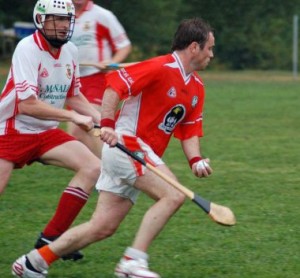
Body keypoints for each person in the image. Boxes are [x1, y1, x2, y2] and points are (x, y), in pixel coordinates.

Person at [12, 17, 215, 278]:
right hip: (126, 144)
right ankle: (133, 262)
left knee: (102, 227)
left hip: (141, 153)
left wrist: (195, 159)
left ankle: (33, 262)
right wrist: (107, 124)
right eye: (209, 47)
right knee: (173, 195)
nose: (212, 54)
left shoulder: (197, 86)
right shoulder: (159, 67)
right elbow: (115, 85)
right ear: (194, 47)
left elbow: (188, 128)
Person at [0, 0, 102, 263]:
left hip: (45, 133)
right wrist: (72, 116)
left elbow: (74, 96)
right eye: (56, 19)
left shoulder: (70, 51)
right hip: (11, 129)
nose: (62, 25)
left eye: (67, 20)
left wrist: (102, 119)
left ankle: (51, 239)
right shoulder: (27, 48)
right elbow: (27, 104)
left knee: (92, 167)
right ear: (40, 21)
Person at [67, 0, 132, 157]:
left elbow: (124, 45)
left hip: (98, 79)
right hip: (72, 81)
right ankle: (100, 169)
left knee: (92, 125)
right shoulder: (61, 14)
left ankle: (108, 168)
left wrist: (112, 62)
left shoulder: (103, 15)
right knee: (75, 134)